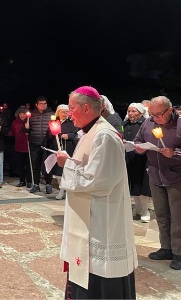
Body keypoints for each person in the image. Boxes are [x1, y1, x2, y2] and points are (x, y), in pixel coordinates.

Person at [56, 86, 137, 299]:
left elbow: (98, 180)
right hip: (91, 217)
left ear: (85, 108)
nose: (68, 113)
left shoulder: (105, 136)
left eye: (71, 108)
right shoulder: (90, 132)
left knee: (101, 275)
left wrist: (67, 165)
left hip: (103, 219)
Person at [134, 96, 181, 269]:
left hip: (176, 177)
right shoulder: (148, 123)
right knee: (161, 215)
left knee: (178, 217)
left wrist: (174, 153)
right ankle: (166, 247)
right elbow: (139, 139)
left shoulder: (180, 124)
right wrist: (138, 147)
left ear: (170, 110)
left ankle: (179, 252)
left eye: (159, 114)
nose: (155, 118)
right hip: (155, 175)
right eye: (152, 114)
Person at [122, 103, 152, 223]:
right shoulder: (125, 124)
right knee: (133, 183)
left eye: (133, 111)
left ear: (140, 113)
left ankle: (145, 210)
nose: (130, 113)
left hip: (143, 158)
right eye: (129, 111)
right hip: (130, 157)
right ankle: (137, 207)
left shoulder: (146, 123)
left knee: (142, 183)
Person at [46, 104, 78, 200]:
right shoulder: (54, 122)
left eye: (66, 112)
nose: (65, 114)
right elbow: (48, 136)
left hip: (68, 149)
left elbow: (76, 134)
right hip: (57, 149)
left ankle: (67, 190)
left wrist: (69, 136)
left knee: (67, 171)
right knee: (58, 172)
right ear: (58, 112)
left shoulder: (71, 122)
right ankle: (61, 190)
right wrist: (53, 133)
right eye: (63, 112)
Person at [27, 96, 53, 194]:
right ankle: (36, 184)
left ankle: (48, 184)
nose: (43, 105)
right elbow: (27, 130)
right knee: (35, 165)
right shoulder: (32, 115)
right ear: (36, 105)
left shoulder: (51, 114)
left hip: (47, 143)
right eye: (41, 103)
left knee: (47, 165)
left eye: (45, 103)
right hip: (34, 142)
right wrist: (26, 127)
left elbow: (56, 126)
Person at [10, 106, 31, 187]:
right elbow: (12, 132)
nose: (22, 115)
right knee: (20, 165)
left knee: (28, 166)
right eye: (20, 114)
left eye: (24, 114)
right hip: (19, 147)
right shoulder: (15, 122)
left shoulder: (29, 121)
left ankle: (29, 181)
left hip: (27, 147)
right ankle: (22, 181)